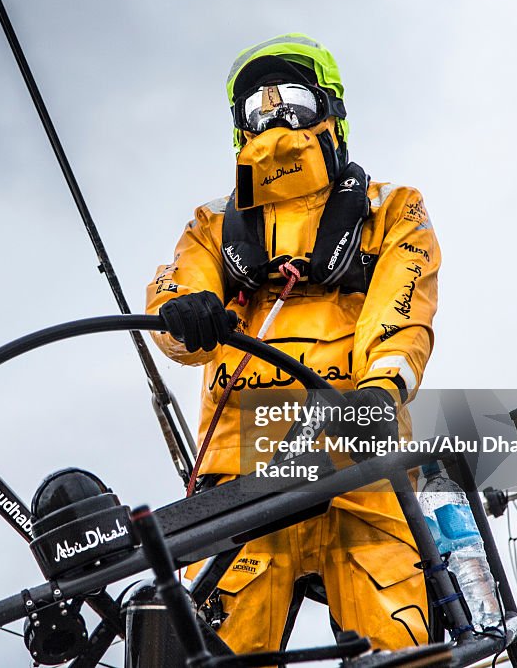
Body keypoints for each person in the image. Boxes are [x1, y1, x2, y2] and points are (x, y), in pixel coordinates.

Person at [146, 33, 440, 653]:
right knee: (220, 648)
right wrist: (184, 312)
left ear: (330, 110)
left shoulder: (391, 210)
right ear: (238, 127)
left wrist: (381, 392)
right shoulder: (210, 228)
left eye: (295, 101)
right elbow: (176, 313)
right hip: (241, 478)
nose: (276, 118)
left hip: (361, 459)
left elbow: (401, 306)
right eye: (259, 108)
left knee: (405, 643)